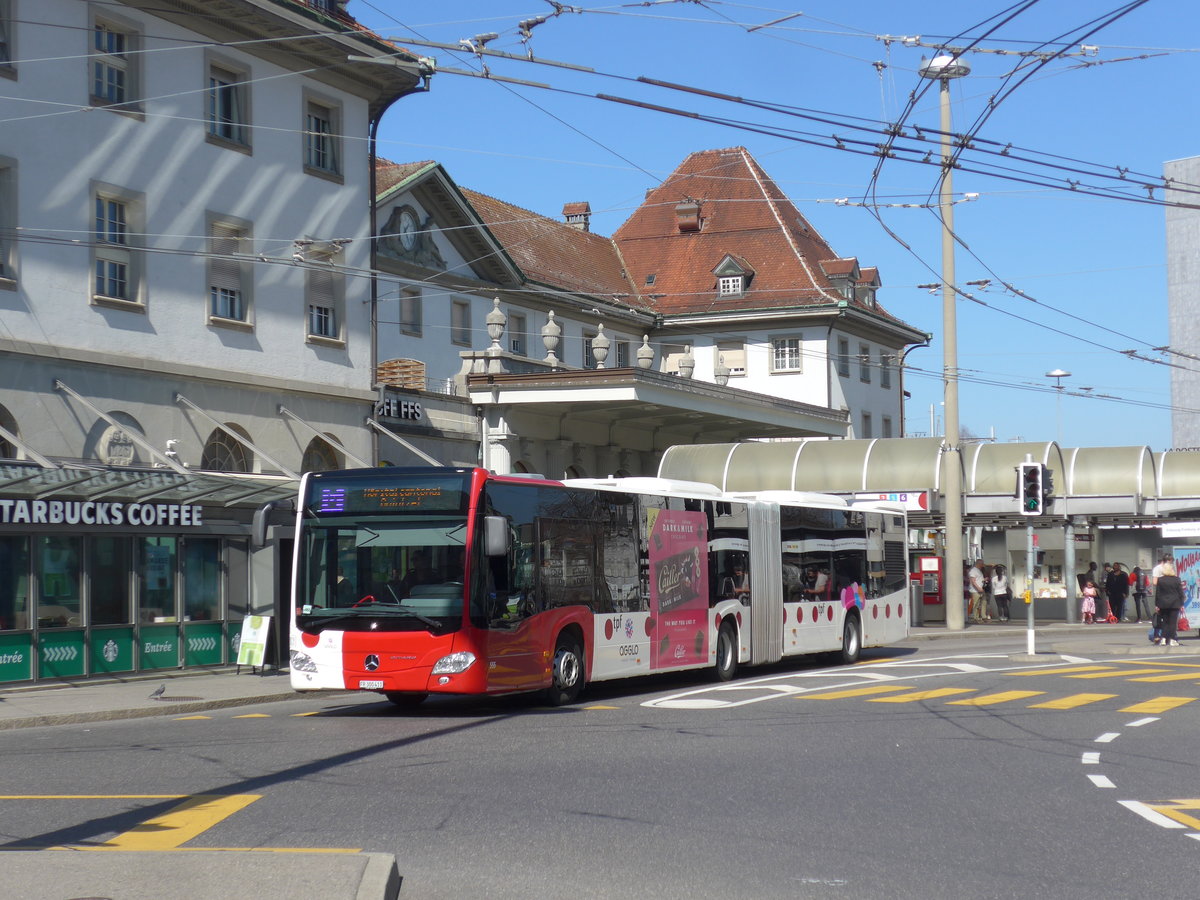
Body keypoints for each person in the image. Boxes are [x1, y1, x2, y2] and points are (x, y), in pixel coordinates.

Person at [1153, 561, 1185, 646]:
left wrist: (1157, 605)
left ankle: (1163, 639)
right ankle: (1172, 639)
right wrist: (1182, 604)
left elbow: (1158, 593)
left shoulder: (1160, 580)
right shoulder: (1177, 579)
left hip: (1163, 604)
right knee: (1173, 623)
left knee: (1165, 622)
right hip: (1175, 604)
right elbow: (1180, 593)